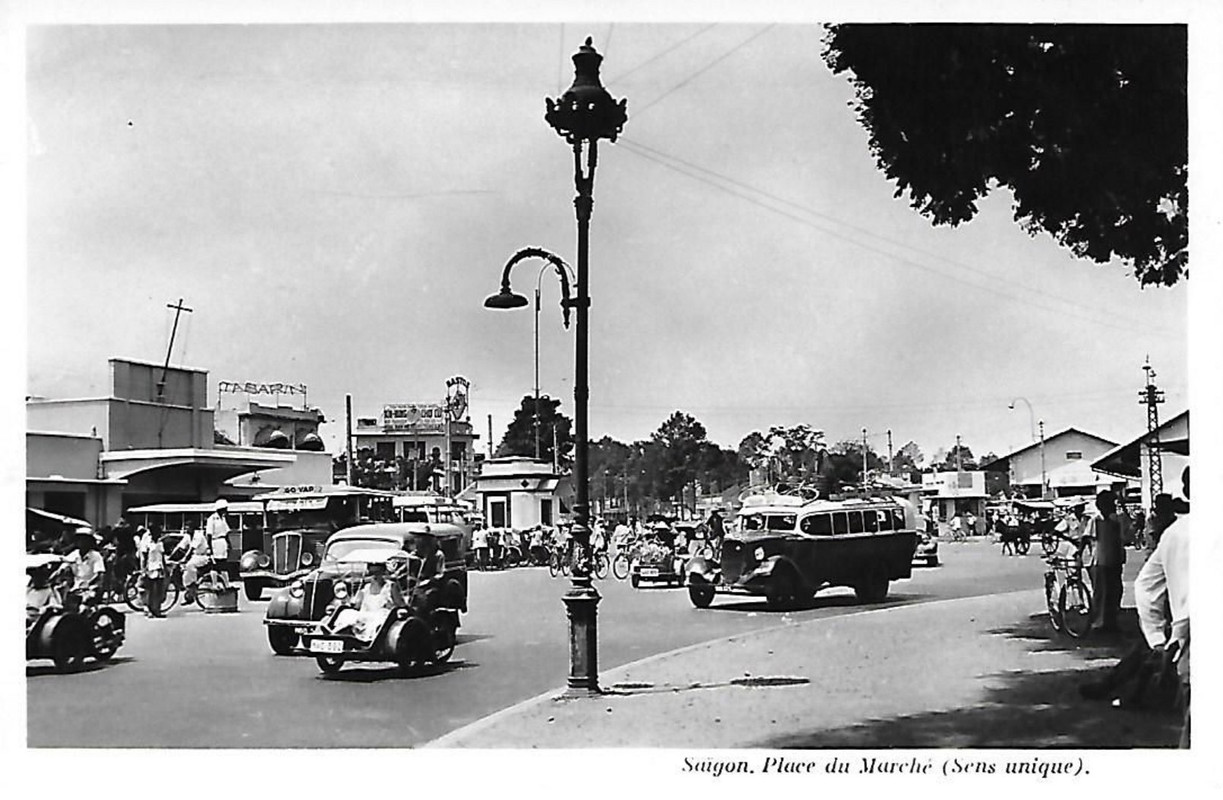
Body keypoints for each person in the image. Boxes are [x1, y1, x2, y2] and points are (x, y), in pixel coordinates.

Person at [1133, 466, 1190, 747]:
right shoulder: (1165, 527)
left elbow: (1145, 586)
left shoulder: (1175, 532)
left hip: (1186, 635)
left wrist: (1157, 637)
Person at [1080, 488, 1128, 633]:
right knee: (1101, 592)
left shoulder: (1117, 519)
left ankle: (1111, 620)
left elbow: (1127, 527)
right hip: (1100, 561)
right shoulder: (1095, 520)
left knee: (1115, 591)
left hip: (1115, 559)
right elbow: (1085, 538)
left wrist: (1123, 505)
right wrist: (1079, 554)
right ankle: (1099, 622)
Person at [328, 559, 405, 643]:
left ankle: (364, 638)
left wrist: (396, 608)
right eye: (372, 574)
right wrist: (348, 601)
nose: (374, 577)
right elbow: (356, 606)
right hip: (365, 614)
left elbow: (400, 604)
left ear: (383, 572)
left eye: (377, 573)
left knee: (377, 620)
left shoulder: (390, 586)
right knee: (347, 613)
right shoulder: (366, 588)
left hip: (380, 615)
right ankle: (338, 631)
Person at [141, 526, 168, 618]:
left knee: (159, 591)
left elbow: (162, 556)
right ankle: (150, 609)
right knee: (151, 590)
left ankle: (157, 609)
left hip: (159, 568)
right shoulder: (148, 543)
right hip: (151, 568)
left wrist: (165, 569)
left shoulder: (160, 543)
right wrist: (143, 569)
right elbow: (144, 557)